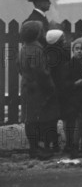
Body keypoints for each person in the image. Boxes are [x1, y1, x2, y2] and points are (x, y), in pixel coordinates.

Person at [18, 21, 59, 160]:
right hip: (37, 90)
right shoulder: (37, 49)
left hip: (26, 87)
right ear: (36, 33)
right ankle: (37, 150)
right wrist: (50, 87)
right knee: (37, 118)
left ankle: (34, 148)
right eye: (40, 30)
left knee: (29, 119)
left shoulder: (23, 48)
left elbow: (20, 67)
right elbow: (41, 72)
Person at [44, 29, 71, 152]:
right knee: (64, 116)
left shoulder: (47, 52)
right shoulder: (60, 53)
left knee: (51, 119)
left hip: (51, 89)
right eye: (62, 39)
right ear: (57, 41)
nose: (65, 41)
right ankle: (65, 144)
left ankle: (52, 144)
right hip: (61, 89)